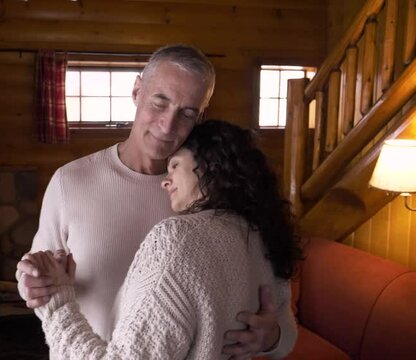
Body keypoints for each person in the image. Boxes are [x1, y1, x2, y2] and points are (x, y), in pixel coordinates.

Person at [17, 45, 295, 358]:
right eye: (159, 102)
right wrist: (31, 283)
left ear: (200, 116)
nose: (168, 125)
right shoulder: (71, 181)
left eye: (187, 114)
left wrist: (273, 337)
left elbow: (280, 319)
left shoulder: (214, 205)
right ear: (137, 91)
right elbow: (38, 272)